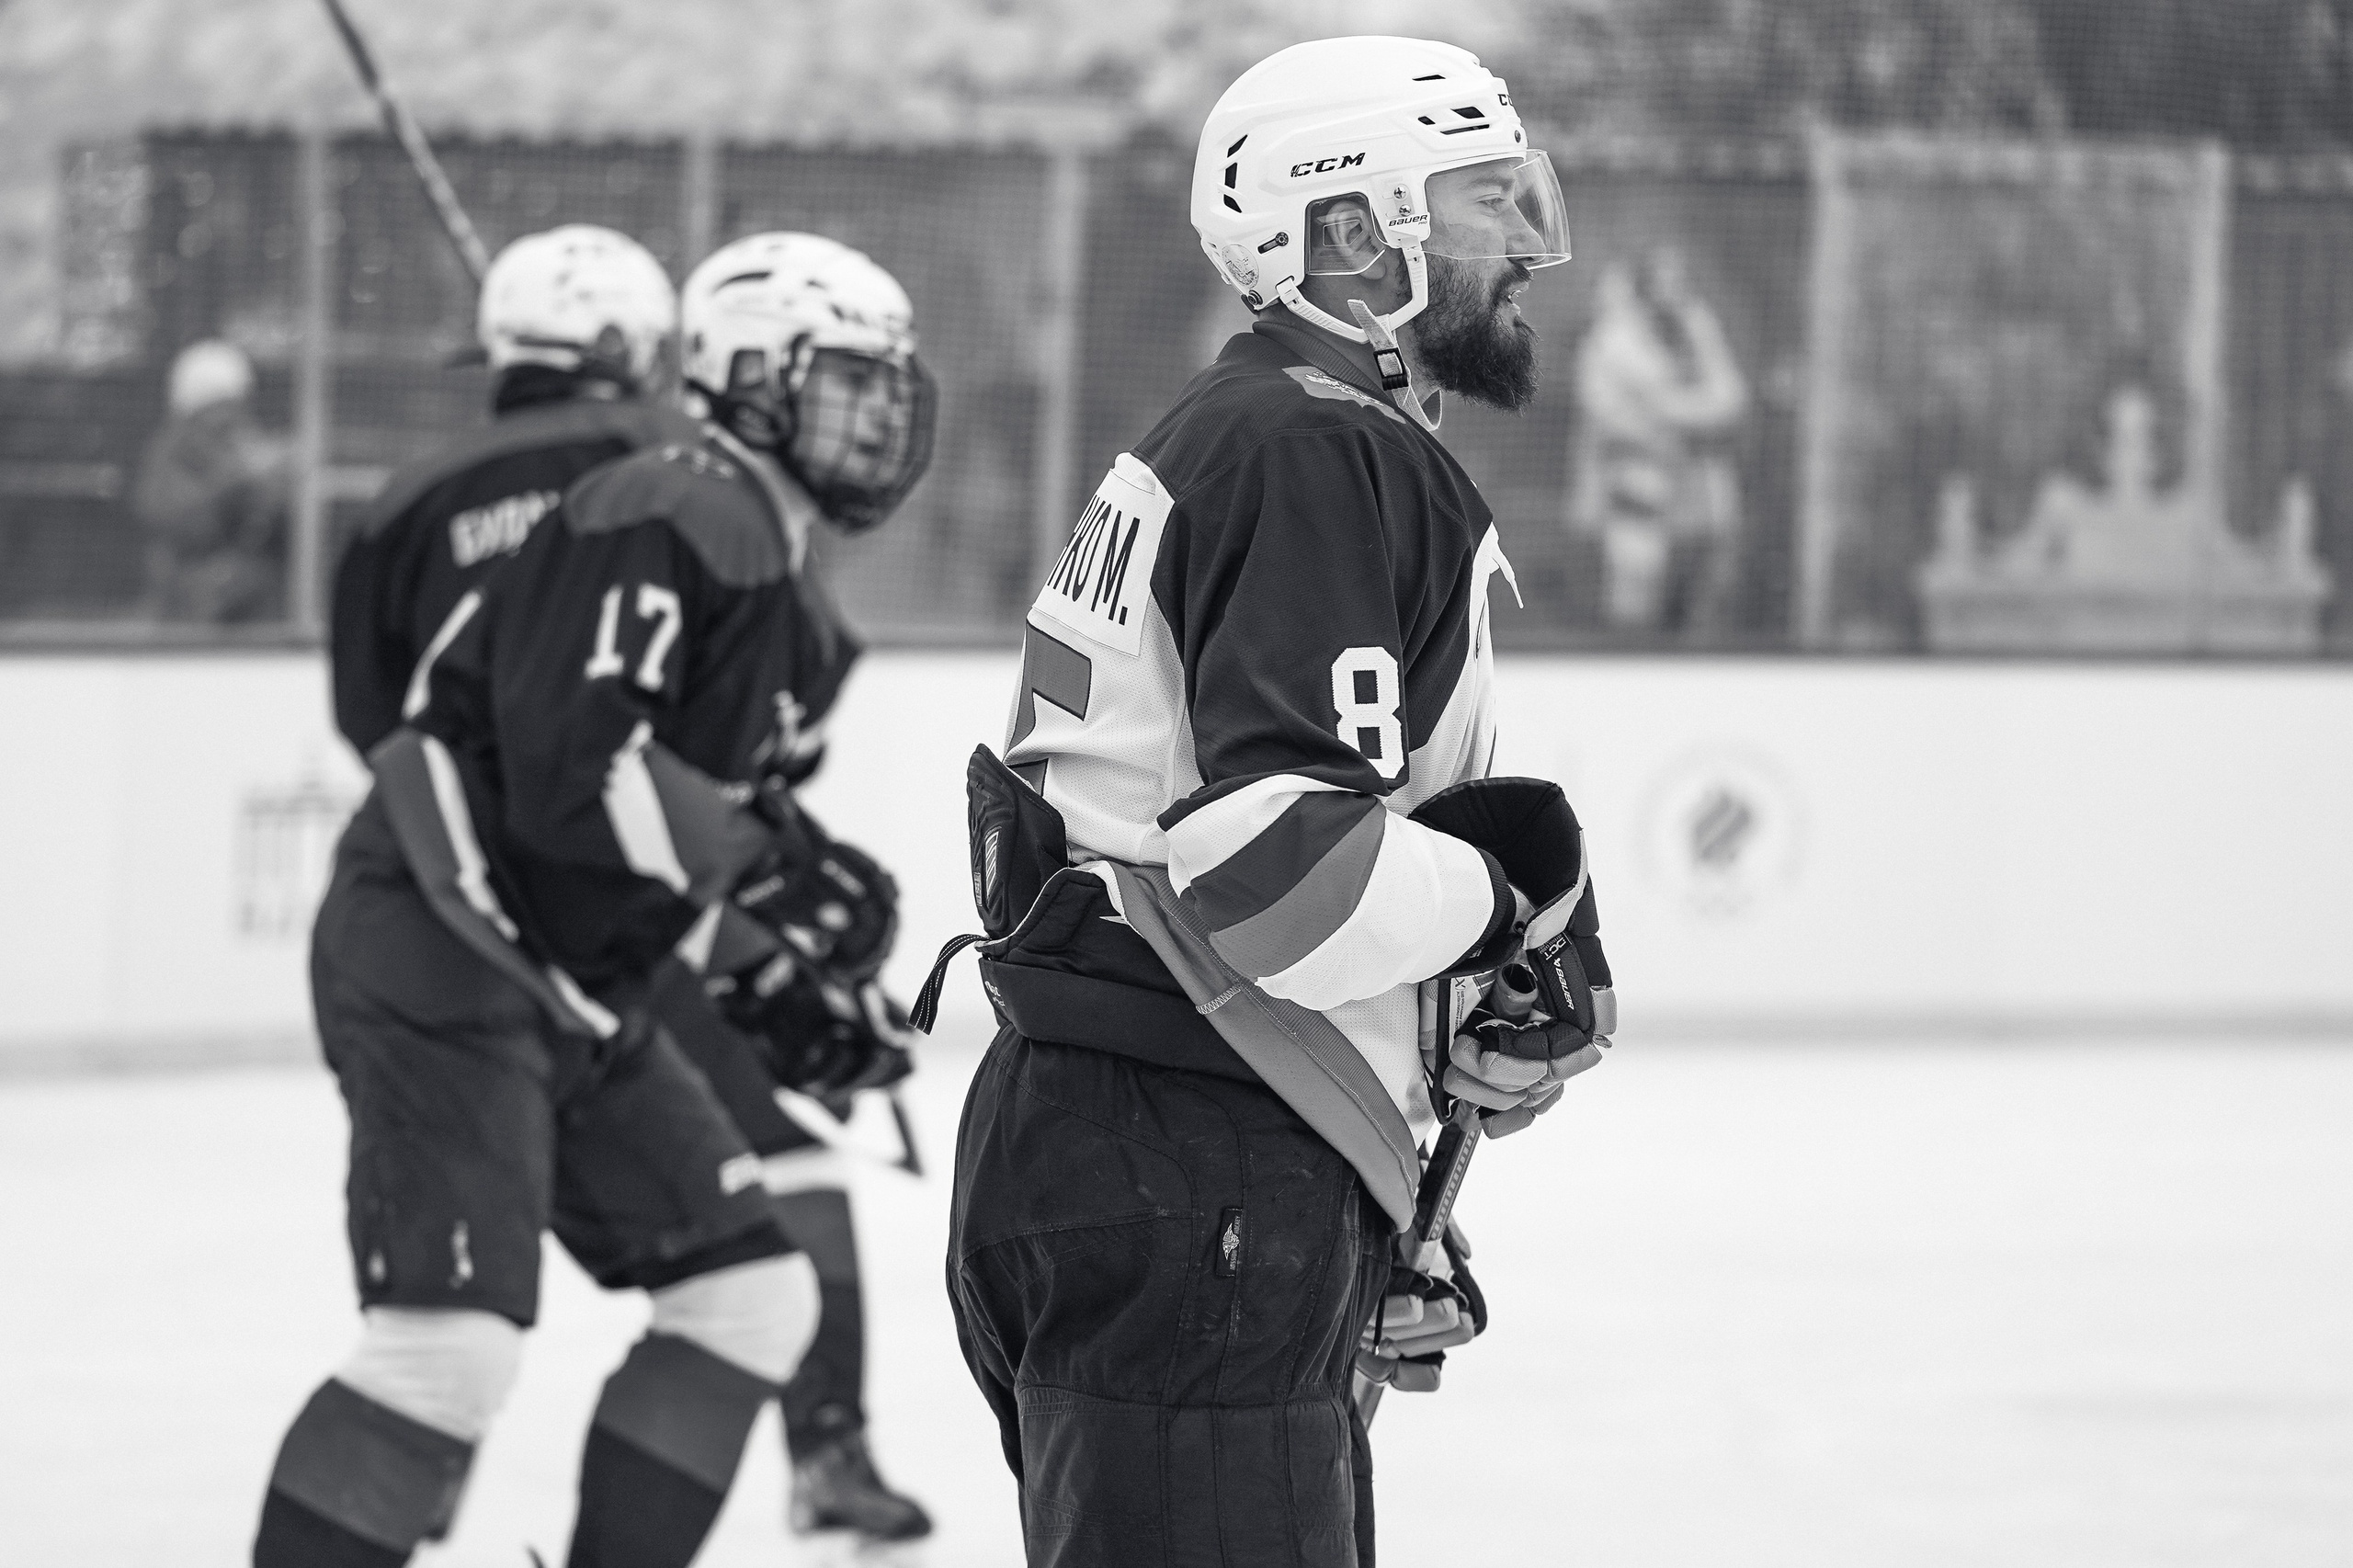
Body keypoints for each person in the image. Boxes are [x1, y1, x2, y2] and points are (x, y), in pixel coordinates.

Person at [934, 36, 1619, 1567]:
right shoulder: (1319, 450)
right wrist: (1510, 903)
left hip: (1139, 1147)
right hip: (1194, 1168)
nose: (1527, 243)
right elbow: (1279, 883)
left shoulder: (1242, 434)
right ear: (1358, 233)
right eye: (1484, 200)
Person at [255, 228, 926, 1567]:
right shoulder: (681, 501)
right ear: (743, 376)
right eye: (845, 381)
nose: (880, 416)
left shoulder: (754, 554)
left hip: (564, 971)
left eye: (891, 387)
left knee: (749, 1294)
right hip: (448, 938)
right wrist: (765, 873)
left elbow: (624, 829)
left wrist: (754, 967)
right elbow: (582, 770)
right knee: (444, 1353)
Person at [1567, 247, 1750, 638]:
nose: (1670, 295)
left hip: (1697, 490)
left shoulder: (1697, 329)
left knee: (1700, 593)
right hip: (1637, 483)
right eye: (1659, 285)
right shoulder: (1612, 340)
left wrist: (1674, 411)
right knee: (1634, 591)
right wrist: (1669, 417)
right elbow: (1608, 413)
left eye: (1678, 285)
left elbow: (1728, 399)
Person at [130, 337, 290, 623]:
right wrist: (238, 482)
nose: (224, 419)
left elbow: (268, 521)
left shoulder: (243, 441)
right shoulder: (174, 448)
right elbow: (162, 513)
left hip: (241, 591)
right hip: (187, 585)